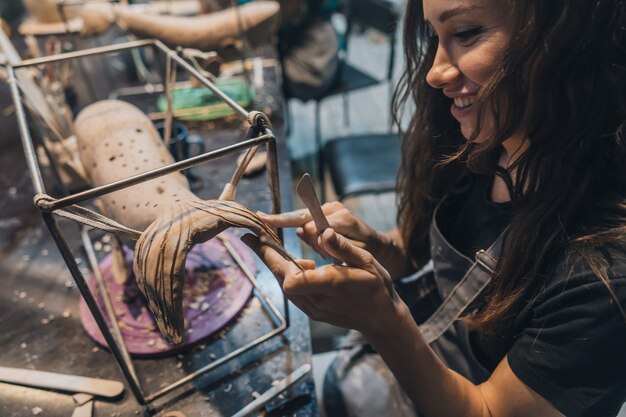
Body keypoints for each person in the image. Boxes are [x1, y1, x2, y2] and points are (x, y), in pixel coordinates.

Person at [242, 0, 626, 416]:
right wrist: (379, 245)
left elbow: (486, 409)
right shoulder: (478, 141)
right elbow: (415, 252)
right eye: (433, 37)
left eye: (465, 34)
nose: (435, 72)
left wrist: (383, 322)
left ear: (567, 36)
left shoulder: (607, 270)